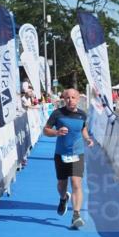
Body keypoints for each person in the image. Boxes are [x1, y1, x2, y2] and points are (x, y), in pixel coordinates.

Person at [43, 88, 94, 228]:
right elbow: (45, 130)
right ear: (64, 99)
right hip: (61, 154)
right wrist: (56, 132)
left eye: (73, 97)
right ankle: (63, 197)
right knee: (61, 185)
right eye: (67, 98)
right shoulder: (57, 114)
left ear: (78, 99)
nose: (70, 100)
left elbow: (83, 129)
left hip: (77, 153)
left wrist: (87, 139)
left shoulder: (82, 115)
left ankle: (76, 215)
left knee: (76, 183)